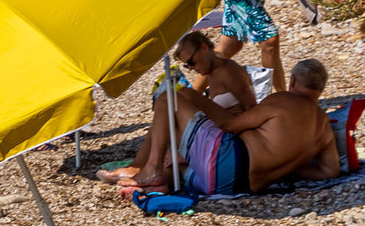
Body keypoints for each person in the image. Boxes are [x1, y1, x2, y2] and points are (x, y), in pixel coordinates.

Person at [135, 56, 337, 196]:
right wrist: (292, 168)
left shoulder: (284, 100)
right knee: (180, 151)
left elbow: (231, 127)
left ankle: (152, 169)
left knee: (167, 98)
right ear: (319, 90)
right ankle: (162, 181)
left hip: (227, 159)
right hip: (227, 185)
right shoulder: (324, 127)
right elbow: (329, 171)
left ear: (292, 81)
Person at [106, 32, 256, 189]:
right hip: (219, 132)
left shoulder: (227, 70)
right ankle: (148, 175)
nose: (192, 68)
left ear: (204, 48)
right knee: (164, 127)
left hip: (231, 136)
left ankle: (148, 170)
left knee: (179, 96)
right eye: (187, 65)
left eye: (192, 62)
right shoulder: (212, 72)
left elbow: (251, 108)